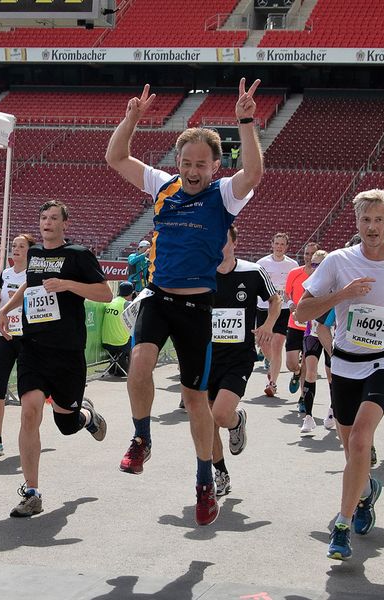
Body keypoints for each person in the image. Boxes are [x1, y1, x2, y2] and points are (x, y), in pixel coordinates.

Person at [105, 78, 263, 526]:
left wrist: (246, 122)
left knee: (197, 401)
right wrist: (133, 116)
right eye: (186, 162)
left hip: (197, 307)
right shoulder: (163, 185)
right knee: (139, 364)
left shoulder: (224, 195)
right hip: (159, 296)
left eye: (201, 164)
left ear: (215, 165)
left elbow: (252, 174)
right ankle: (141, 439)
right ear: (178, 162)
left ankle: (203, 482)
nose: (192, 171)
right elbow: (116, 157)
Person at [295, 188, 384, 561]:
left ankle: (341, 525)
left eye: (378, 220)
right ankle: (367, 491)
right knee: (350, 450)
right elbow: (302, 312)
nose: (372, 227)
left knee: (360, 442)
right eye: (365, 220)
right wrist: (342, 295)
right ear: (356, 222)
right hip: (345, 363)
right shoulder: (338, 262)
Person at [0, 200, 112, 517]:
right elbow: (28, 287)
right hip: (34, 347)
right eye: (43, 217)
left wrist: (67, 285)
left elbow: (105, 293)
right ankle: (31, 492)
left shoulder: (78, 255)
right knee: (29, 412)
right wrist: (5, 310)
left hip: (67, 352)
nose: (47, 222)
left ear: (65, 224)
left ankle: (87, 417)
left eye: (53, 218)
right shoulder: (34, 256)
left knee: (66, 424)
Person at [210, 225, 280, 495]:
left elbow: (274, 300)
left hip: (238, 357)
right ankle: (220, 474)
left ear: (235, 243)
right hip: (205, 357)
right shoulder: (201, 274)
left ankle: (236, 421)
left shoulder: (252, 272)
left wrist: (268, 325)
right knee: (207, 422)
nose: (219, 246)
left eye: (223, 241)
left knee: (220, 414)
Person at [0, 233, 35, 459]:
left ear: (29, 251)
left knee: (30, 391)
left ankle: (32, 434)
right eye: (14, 245)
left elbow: (38, 303)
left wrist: (22, 298)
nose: (16, 249)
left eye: (21, 246)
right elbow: (3, 297)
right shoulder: (5, 273)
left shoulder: (33, 274)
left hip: (26, 337)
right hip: (5, 336)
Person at [256, 233, 298, 397]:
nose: (279, 246)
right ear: (271, 244)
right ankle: (270, 361)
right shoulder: (262, 263)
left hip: (283, 307)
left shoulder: (292, 265)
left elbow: (295, 286)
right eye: (277, 243)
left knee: (278, 343)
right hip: (264, 307)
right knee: (264, 344)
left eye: (282, 244)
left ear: (286, 247)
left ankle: (272, 383)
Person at [299, 249, 334, 434]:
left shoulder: (336, 284)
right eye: (313, 264)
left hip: (331, 333)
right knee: (310, 373)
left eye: (320, 265)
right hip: (311, 332)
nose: (316, 268)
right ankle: (309, 417)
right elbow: (301, 307)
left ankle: (332, 410)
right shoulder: (310, 284)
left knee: (331, 375)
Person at [286, 241, 319, 405]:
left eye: (312, 254)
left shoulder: (321, 276)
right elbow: (287, 294)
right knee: (292, 363)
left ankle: (302, 398)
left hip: (311, 327)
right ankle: (296, 372)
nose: (308, 257)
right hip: (294, 323)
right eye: (306, 254)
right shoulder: (294, 273)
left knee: (308, 362)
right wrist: (291, 303)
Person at [102, 281, 134, 376]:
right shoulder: (127, 304)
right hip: (120, 343)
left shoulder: (111, 301)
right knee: (134, 340)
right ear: (131, 293)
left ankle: (114, 368)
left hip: (105, 342)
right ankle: (133, 370)